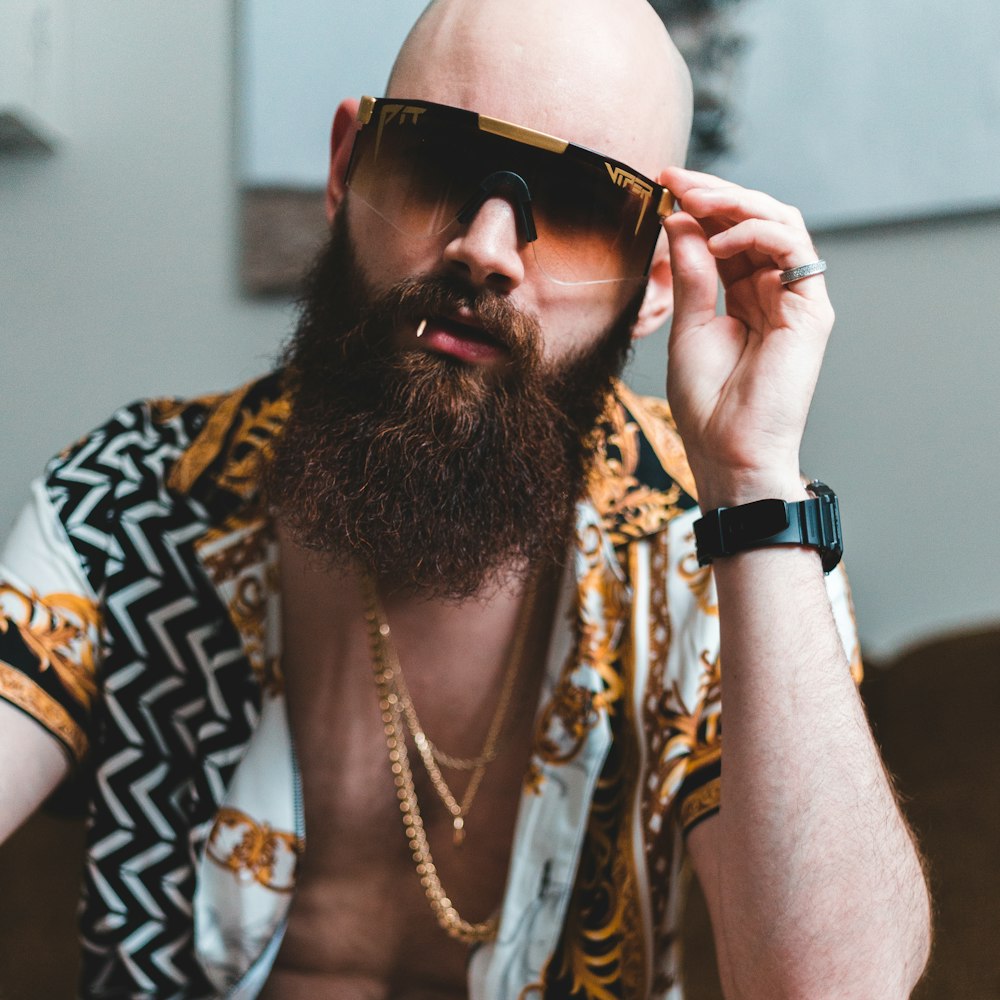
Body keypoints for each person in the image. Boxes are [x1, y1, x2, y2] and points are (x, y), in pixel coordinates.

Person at [0, 0, 931, 996]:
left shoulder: (701, 535)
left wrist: (751, 481)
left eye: (573, 204)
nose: (485, 247)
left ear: (657, 279)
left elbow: (838, 987)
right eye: (436, 164)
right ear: (347, 166)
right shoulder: (134, 496)